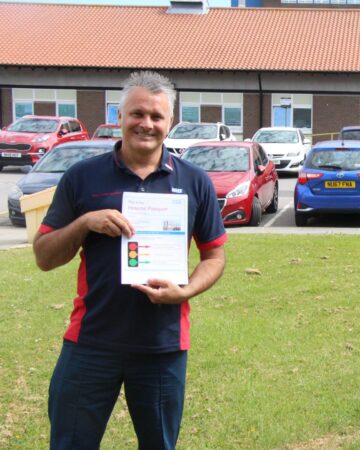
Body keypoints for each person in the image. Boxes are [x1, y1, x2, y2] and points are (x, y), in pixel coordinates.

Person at [34, 71, 227, 450]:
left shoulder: (195, 182)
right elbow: (44, 256)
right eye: (137, 113)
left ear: (170, 122)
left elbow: (215, 256)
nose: (147, 124)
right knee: (70, 443)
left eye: (157, 116)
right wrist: (85, 223)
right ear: (119, 116)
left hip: (162, 345)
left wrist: (185, 290)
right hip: (91, 341)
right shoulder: (82, 177)